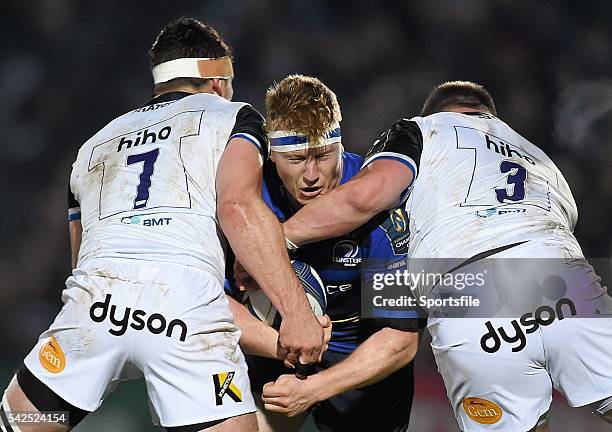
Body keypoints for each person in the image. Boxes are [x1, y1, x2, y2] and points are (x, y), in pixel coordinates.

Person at [0, 17, 323, 432]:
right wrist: (296, 313)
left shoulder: (92, 145)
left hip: (96, 306)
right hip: (184, 313)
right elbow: (238, 206)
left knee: (20, 420)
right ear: (220, 80)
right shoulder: (231, 116)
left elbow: (80, 258)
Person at [281, 81, 612, 431]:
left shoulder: (422, 129)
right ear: (490, 118)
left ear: (436, 113)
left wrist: (279, 239)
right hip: (561, 278)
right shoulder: (545, 161)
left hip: (466, 292)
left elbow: (367, 197)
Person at [226, 75, 422, 432]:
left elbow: (400, 340)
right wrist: (284, 346)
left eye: (323, 155)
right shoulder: (247, 202)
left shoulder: (377, 212)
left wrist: (313, 388)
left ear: (340, 146)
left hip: (360, 365)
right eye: (297, 159)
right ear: (271, 154)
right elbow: (209, 303)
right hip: (276, 351)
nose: (312, 175)